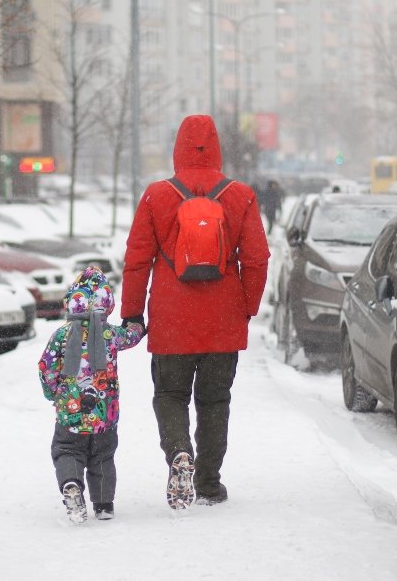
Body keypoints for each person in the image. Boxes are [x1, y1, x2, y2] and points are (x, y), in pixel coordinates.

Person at [121, 114, 270, 510]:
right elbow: (256, 259)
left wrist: (133, 313)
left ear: (178, 148)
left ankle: (179, 452)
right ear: (217, 148)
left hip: (172, 318)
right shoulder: (240, 195)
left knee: (170, 395)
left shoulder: (157, 195)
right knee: (215, 401)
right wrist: (247, 307)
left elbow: (137, 260)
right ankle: (208, 483)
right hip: (223, 318)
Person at [38, 266, 146, 523]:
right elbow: (132, 336)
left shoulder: (61, 335)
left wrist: (54, 393)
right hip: (104, 414)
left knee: (67, 450)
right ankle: (104, 505)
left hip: (71, 413)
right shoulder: (111, 334)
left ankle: (71, 483)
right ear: (107, 302)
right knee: (103, 457)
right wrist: (138, 326)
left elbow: (46, 366)